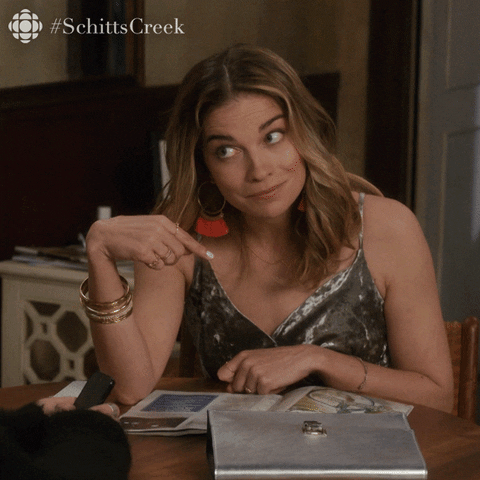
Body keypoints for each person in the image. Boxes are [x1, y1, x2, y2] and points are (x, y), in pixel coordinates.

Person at [82, 44, 454, 412]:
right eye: (226, 151)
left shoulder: (386, 227)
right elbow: (130, 389)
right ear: (203, 163)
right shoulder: (180, 239)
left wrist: (318, 359)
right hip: (230, 450)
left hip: (365, 449)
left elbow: (437, 396)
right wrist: (98, 253)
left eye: (272, 137)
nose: (259, 171)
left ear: (304, 133)